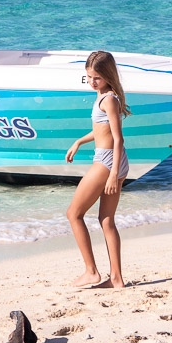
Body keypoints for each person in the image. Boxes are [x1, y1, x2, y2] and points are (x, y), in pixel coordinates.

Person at [65, 50, 130, 289]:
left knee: (74, 214)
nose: (92, 82)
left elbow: (117, 137)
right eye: (89, 77)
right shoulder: (104, 96)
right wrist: (79, 141)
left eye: (97, 78)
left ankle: (91, 272)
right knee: (106, 220)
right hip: (113, 159)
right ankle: (116, 279)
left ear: (108, 75)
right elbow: (101, 131)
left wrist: (113, 173)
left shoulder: (108, 99)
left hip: (107, 161)